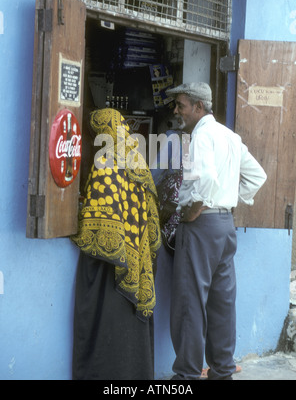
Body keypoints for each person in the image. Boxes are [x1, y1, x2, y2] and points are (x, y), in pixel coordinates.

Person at [166, 82, 267, 380]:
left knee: (189, 301)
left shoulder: (201, 135)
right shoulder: (229, 136)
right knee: (223, 302)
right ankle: (222, 371)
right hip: (224, 226)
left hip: (201, 225)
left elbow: (206, 178)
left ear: (199, 107)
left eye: (180, 105)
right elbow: (256, 176)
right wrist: (230, 200)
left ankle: (186, 375)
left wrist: (195, 209)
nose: (176, 111)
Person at [70, 108, 161, 380]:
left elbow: (96, 223)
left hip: (108, 266)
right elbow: (153, 223)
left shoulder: (105, 162)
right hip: (137, 259)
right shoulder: (138, 161)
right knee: (130, 323)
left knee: (105, 321)